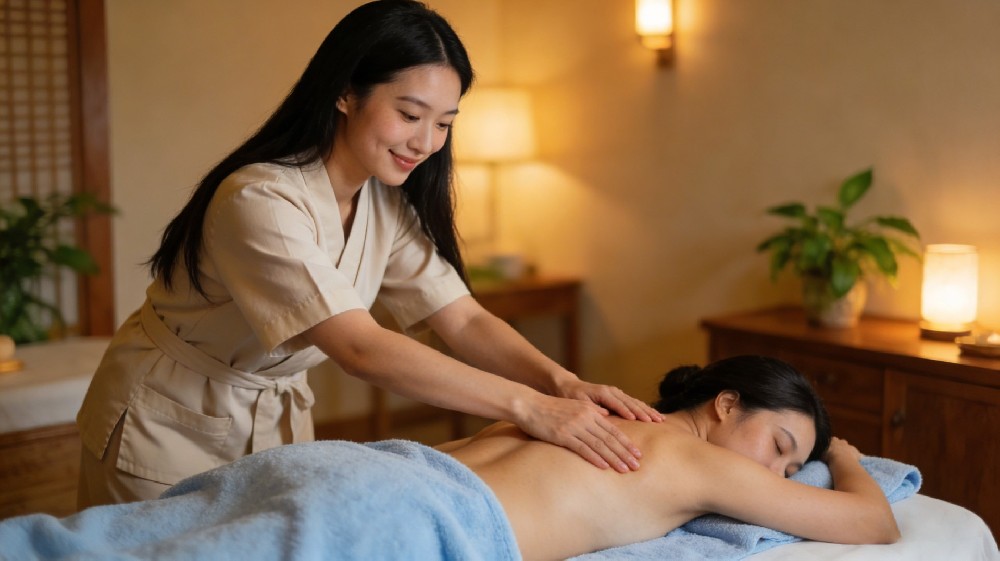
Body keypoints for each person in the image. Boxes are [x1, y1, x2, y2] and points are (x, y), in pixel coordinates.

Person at [75, 0, 661, 509]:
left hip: (273, 416)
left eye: (444, 124)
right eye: (409, 115)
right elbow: (359, 346)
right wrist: (529, 407)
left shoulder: (384, 200)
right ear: (345, 93)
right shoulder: (258, 199)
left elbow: (461, 316)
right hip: (168, 419)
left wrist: (562, 384)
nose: (426, 143)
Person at [440, 354, 901, 559]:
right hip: (438, 525)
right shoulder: (701, 462)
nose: (775, 474)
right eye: (779, 447)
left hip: (396, 469)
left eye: (790, 471)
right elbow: (875, 524)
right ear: (725, 405)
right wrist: (845, 461)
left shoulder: (580, 415)